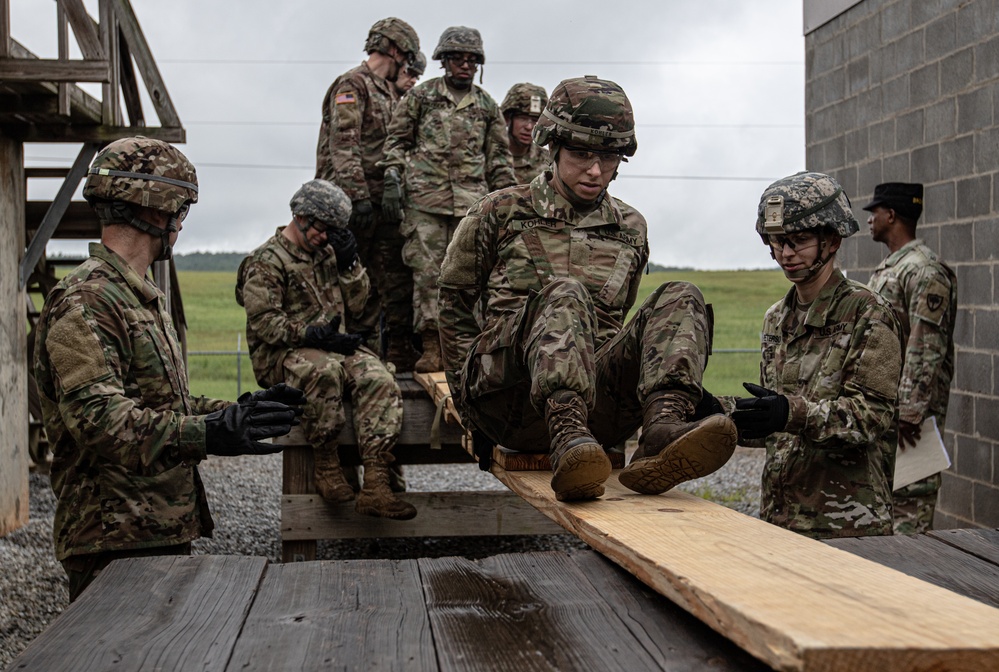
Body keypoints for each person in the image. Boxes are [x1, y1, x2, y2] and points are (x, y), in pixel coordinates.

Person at [438, 76, 737, 502]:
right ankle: (566, 435)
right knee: (565, 293)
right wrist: (469, 410)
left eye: (610, 158)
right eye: (581, 155)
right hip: (513, 402)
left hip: (600, 412)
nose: (595, 171)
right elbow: (453, 305)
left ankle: (662, 429)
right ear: (552, 148)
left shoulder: (631, 228)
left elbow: (621, 322)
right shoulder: (499, 211)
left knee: (681, 294)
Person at [33, 137, 304, 602]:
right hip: (112, 540)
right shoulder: (87, 301)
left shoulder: (134, 295)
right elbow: (101, 422)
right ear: (158, 209)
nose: (181, 224)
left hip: (154, 529)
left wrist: (234, 414)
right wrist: (205, 434)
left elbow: (161, 406)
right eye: (181, 210)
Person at [729, 171, 903, 539]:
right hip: (781, 520)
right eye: (776, 242)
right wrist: (722, 415)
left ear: (832, 239)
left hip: (848, 526)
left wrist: (790, 412)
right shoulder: (777, 318)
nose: (785, 254)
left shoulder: (868, 312)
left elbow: (870, 417)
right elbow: (775, 425)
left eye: (799, 240)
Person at [237, 179, 417, 520]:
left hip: (332, 346)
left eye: (334, 232)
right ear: (301, 217)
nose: (325, 238)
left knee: (377, 375)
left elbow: (362, 308)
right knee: (323, 371)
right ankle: (327, 464)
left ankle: (377, 482)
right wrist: (313, 334)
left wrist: (350, 266)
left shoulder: (330, 254)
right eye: (322, 229)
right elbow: (265, 324)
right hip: (282, 354)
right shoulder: (266, 261)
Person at [380, 25, 516, 373]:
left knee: (469, 276)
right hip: (424, 202)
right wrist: (393, 176)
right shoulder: (421, 97)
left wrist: (509, 203)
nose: (465, 66)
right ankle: (431, 346)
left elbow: (499, 159)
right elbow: (396, 142)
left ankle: (467, 348)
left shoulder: (487, 106)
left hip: (471, 206)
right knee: (427, 275)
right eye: (457, 58)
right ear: (444, 61)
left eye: (472, 60)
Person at [315, 17, 421, 371]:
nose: (407, 63)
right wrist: (357, 197)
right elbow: (344, 145)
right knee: (346, 284)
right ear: (393, 49)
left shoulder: (390, 91)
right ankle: (343, 358)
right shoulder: (353, 85)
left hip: (382, 205)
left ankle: (387, 357)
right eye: (406, 55)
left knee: (390, 282)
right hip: (350, 206)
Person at [863, 182, 957, 535]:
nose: (870, 219)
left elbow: (925, 344)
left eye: (875, 212)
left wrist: (911, 410)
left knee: (908, 518)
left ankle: (914, 589)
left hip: (909, 424)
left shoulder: (925, 270)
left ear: (892, 215)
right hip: (887, 412)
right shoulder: (892, 267)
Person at [500, 82, 550, 184]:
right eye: (523, 118)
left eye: (535, 120)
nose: (529, 127)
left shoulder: (549, 163)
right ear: (508, 118)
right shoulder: (487, 157)